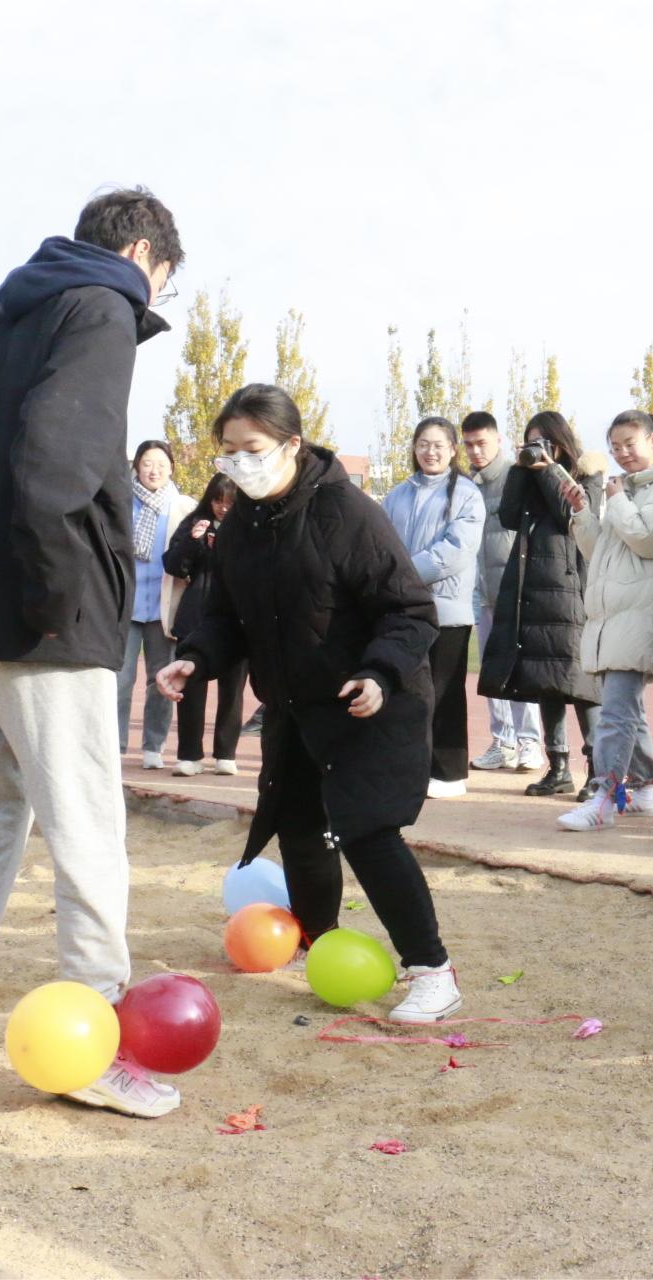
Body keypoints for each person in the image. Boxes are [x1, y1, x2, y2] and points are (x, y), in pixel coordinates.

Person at [0, 186, 187, 1117]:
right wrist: (59, 598)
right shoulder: (101, 309)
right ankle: (94, 1039)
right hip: (43, 626)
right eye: (165, 279)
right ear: (142, 255)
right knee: (87, 830)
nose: (157, 297)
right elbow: (55, 461)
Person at [157, 383, 463, 1024]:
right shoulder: (241, 524)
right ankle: (320, 942)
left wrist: (378, 673)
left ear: (291, 444)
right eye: (229, 450)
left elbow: (410, 610)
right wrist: (197, 656)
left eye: (253, 448)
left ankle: (433, 972)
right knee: (299, 828)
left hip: (367, 701)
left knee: (367, 832)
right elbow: (226, 615)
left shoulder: (346, 513)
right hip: (294, 704)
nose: (240, 462)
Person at [557, 411, 653, 830]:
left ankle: (604, 797)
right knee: (627, 707)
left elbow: (647, 539)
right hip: (614, 615)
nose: (622, 453)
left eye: (630, 443)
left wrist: (615, 500)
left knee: (615, 712)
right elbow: (601, 552)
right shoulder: (627, 489)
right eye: (615, 447)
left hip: (641, 613)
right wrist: (583, 512)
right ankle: (644, 789)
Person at [476, 412, 604, 799]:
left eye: (543, 442)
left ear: (560, 442)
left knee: (580, 683)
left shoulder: (587, 476)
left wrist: (548, 470)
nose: (537, 450)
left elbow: (570, 515)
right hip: (530, 588)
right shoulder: (529, 476)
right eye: (531, 442)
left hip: (569, 590)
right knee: (545, 681)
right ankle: (558, 766)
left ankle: (597, 768)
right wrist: (521, 470)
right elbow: (509, 516)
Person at [382, 417, 484, 798]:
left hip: (447, 611)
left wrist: (404, 573)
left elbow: (455, 550)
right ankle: (412, 767)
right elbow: (381, 542)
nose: (430, 452)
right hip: (403, 608)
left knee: (443, 691)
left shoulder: (467, 495)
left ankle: (449, 773)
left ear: (453, 450)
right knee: (407, 690)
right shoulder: (398, 495)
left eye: (439, 445)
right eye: (423, 444)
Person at [460, 412, 544, 774]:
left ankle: (530, 742)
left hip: (514, 591)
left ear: (498, 440)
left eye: (481, 443)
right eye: (468, 445)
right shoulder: (467, 485)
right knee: (491, 670)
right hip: (480, 595)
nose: (475, 451)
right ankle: (503, 741)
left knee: (520, 669)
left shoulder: (516, 476)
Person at [162, 473, 246, 776]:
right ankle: (189, 755)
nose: (223, 508)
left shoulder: (250, 526)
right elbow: (173, 564)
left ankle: (226, 753)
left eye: (229, 503)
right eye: (217, 501)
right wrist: (192, 541)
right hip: (196, 614)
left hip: (237, 616)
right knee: (190, 687)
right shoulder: (194, 523)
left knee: (233, 690)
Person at [119, 440, 195, 769]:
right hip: (125, 606)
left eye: (161, 464)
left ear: (172, 469)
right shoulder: (120, 502)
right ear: (136, 466)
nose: (154, 470)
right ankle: (114, 745)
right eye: (147, 463)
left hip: (165, 607)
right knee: (120, 680)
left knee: (160, 680)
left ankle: (153, 746)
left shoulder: (184, 508)